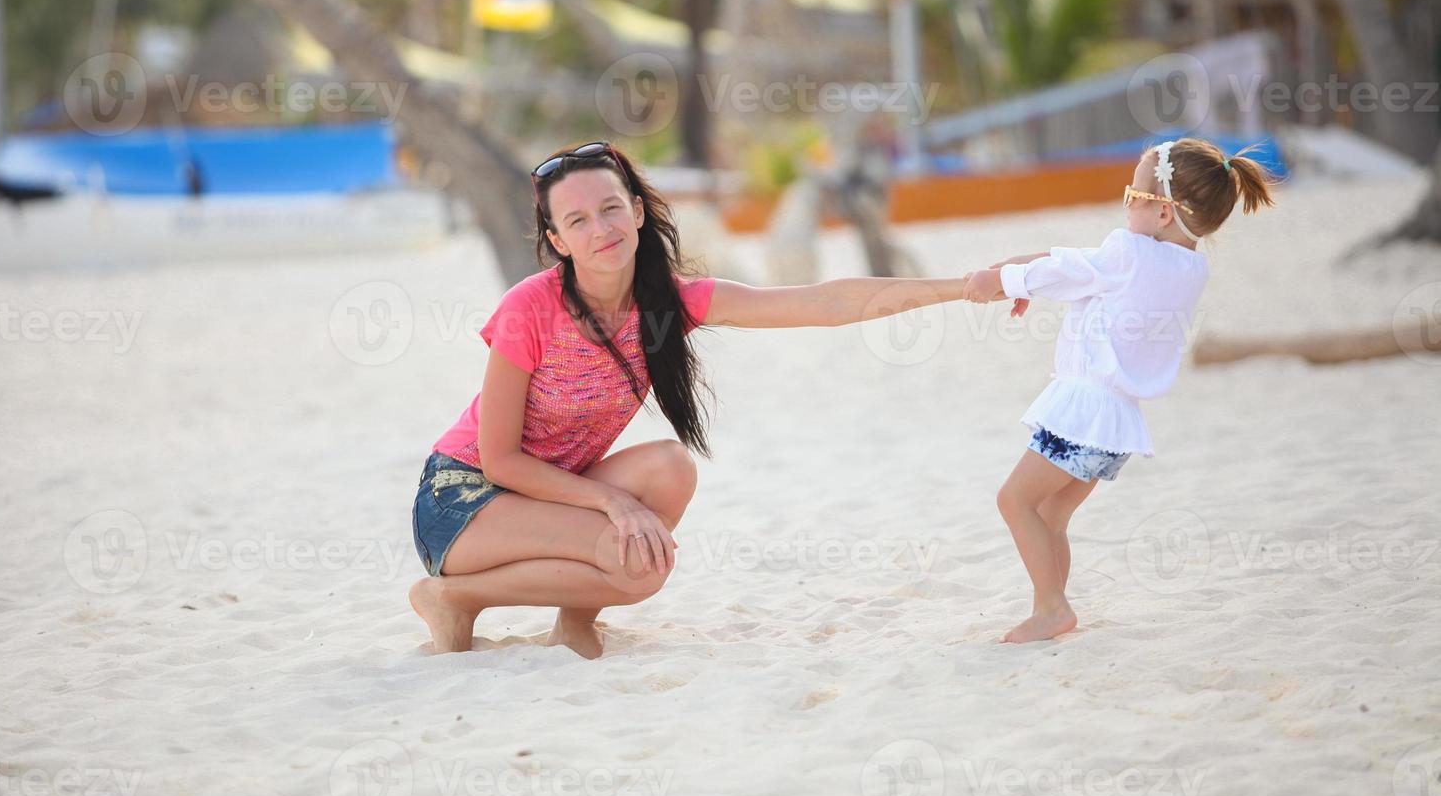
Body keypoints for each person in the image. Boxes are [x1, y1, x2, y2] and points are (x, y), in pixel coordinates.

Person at [410, 141, 970, 658]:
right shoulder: (530, 307)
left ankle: (574, 620)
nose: (600, 229)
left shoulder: (668, 302)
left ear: (635, 210)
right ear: (557, 240)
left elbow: (822, 303)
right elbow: (500, 460)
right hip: (462, 502)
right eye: (577, 220)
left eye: (610, 209)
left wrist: (963, 287)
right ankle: (456, 597)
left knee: (670, 468)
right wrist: (614, 504)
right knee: (638, 568)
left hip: (552, 499)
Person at [964, 138, 1275, 643]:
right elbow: (1073, 264)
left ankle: (1052, 608)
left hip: (1083, 411)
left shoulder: (1128, 252)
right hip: (1117, 423)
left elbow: (1065, 268)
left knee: (1014, 501)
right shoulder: (1189, 267)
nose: (1126, 200)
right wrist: (1013, 281)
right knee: (1052, 513)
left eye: (1134, 191)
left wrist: (1001, 280)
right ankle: (1052, 607)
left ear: (1164, 213)